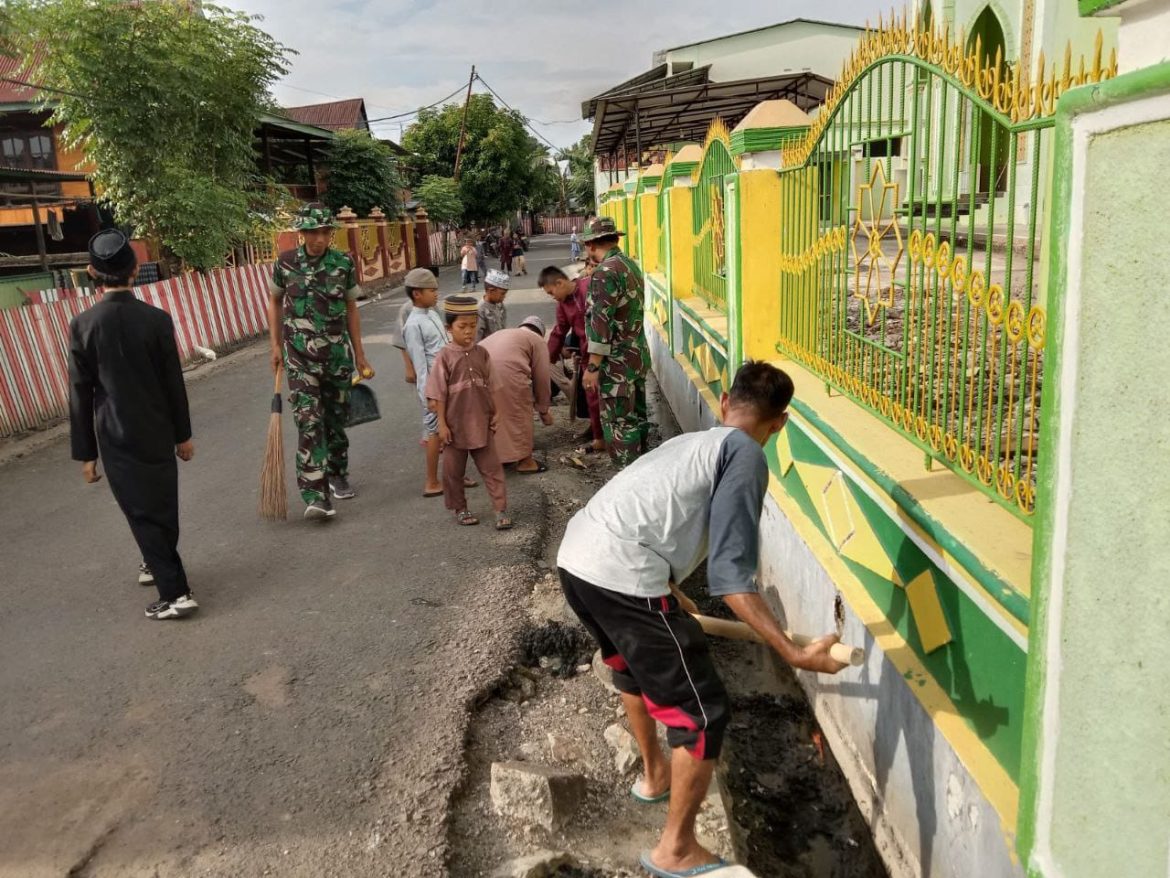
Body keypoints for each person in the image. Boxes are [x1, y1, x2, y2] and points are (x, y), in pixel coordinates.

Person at [557, 362, 848, 877]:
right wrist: (793, 652)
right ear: (780, 424)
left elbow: (643, 509)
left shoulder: (691, 444)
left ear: (723, 405)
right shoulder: (745, 456)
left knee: (628, 666)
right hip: (623, 572)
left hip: (578, 556)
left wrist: (671, 589)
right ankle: (676, 850)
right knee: (702, 711)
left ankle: (654, 778)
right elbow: (733, 580)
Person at [69, 229, 199, 620]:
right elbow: (173, 383)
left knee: (139, 510)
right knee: (160, 501)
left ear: (92, 272)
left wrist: (86, 454)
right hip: (157, 428)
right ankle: (153, 560)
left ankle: (176, 593)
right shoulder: (157, 320)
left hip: (116, 433)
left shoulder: (83, 325)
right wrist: (183, 435)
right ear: (136, 269)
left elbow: (80, 393)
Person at [269, 202, 372, 520]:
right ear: (302, 233)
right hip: (299, 358)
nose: (318, 238)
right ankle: (317, 494)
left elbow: (352, 308)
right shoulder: (285, 263)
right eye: (311, 232)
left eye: (323, 232)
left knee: (335, 420)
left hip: (336, 357)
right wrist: (275, 345)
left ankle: (338, 470)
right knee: (309, 421)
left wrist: (360, 354)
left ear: (331, 233)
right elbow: (275, 302)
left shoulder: (343, 263)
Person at [426, 295, 512, 530]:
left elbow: (492, 385)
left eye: (473, 326)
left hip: (482, 422)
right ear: (449, 328)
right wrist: (442, 425)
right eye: (462, 327)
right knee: (453, 472)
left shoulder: (482, 354)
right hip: (454, 427)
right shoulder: (444, 357)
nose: (468, 332)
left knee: (492, 469)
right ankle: (460, 508)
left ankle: (500, 509)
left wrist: (496, 412)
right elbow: (438, 395)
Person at [579, 216, 651, 467]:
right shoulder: (630, 264)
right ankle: (645, 471)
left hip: (617, 364)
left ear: (590, 244)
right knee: (639, 418)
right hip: (637, 357)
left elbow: (600, 324)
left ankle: (627, 480)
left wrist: (592, 367)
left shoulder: (604, 273)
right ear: (615, 239)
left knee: (620, 423)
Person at [540, 265, 604, 456]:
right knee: (592, 397)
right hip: (586, 355)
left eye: (552, 292)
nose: (552, 296)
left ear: (560, 282)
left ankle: (617, 437)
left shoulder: (589, 288)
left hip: (606, 352)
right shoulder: (562, 305)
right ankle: (599, 438)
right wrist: (546, 360)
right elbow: (559, 332)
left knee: (611, 397)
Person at [479, 316, 553, 474]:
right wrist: (543, 409)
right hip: (505, 373)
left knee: (491, 415)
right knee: (518, 414)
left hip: (474, 369)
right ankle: (525, 461)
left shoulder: (504, 333)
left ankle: (499, 457)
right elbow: (542, 378)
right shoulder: (536, 340)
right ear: (540, 333)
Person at [402, 267, 450, 497]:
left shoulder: (432, 314)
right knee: (434, 433)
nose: (436, 294)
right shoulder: (412, 325)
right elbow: (421, 366)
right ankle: (431, 481)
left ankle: (456, 474)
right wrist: (428, 396)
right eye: (431, 290)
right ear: (417, 294)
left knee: (451, 430)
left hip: (447, 382)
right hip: (434, 387)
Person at [477, 268, 509, 342]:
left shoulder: (500, 305)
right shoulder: (480, 311)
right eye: (502, 294)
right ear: (490, 291)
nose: (504, 297)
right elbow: (477, 340)